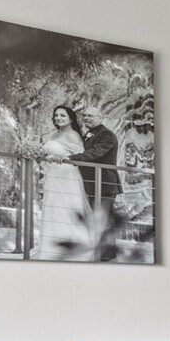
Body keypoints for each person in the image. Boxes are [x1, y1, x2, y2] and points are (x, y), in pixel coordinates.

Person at [33, 105, 90, 258]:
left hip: (67, 177)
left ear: (71, 118)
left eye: (62, 115)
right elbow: (47, 153)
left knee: (66, 209)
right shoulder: (53, 135)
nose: (58, 118)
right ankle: (49, 248)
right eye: (56, 115)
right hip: (52, 176)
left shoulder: (73, 136)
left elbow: (80, 159)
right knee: (51, 209)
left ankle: (74, 249)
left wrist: (63, 159)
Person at [75, 110, 121, 233]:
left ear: (100, 117)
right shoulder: (92, 133)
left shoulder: (106, 135)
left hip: (104, 184)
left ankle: (107, 253)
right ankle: (98, 251)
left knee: (104, 221)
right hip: (93, 183)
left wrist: (71, 158)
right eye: (85, 115)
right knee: (96, 221)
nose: (86, 117)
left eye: (90, 115)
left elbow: (94, 153)